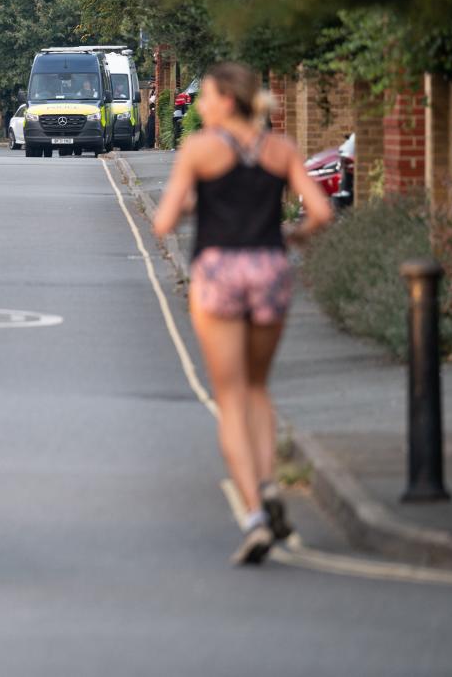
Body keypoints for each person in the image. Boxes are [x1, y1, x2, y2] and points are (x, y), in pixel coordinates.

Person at [152, 62, 333, 565]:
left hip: (218, 273)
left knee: (230, 396)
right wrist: (289, 238)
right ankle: (270, 481)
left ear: (227, 101)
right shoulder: (280, 148)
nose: (201, 107)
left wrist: (193, 204)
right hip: (270, 268)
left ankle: (253, 514)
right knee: (258, 388)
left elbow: (163, 222)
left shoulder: (200, 149)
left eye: (206, 98)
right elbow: (320, 212)